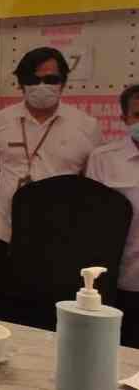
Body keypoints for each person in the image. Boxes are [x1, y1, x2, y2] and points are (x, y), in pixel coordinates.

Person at [0, 47, 102, 244]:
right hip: (5, 231)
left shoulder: (87, 126)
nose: (41, 86)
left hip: (61, 233)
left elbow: (91, 182)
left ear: (63, 82)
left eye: (51, 79)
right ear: (21, 83)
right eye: (32, 79)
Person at [86, 84, 139, 347]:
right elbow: (93, 223)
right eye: (138, 114)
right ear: (124, 118)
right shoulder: (103, 159)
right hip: (121, 279)